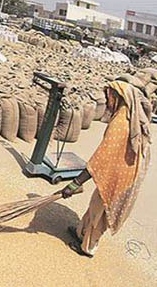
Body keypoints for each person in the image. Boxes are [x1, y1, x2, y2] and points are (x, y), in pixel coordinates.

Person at [60, 81, 151, 258]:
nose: (106, 100)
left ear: (117, 97)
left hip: (120, 176)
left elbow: (102, 156)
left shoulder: (121, 121)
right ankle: (81, 233)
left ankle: (88, 248)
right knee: (96, 204)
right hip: (120, 171)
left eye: (108, 95)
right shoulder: (126, 114)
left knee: (101, 212)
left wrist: (75, 183)